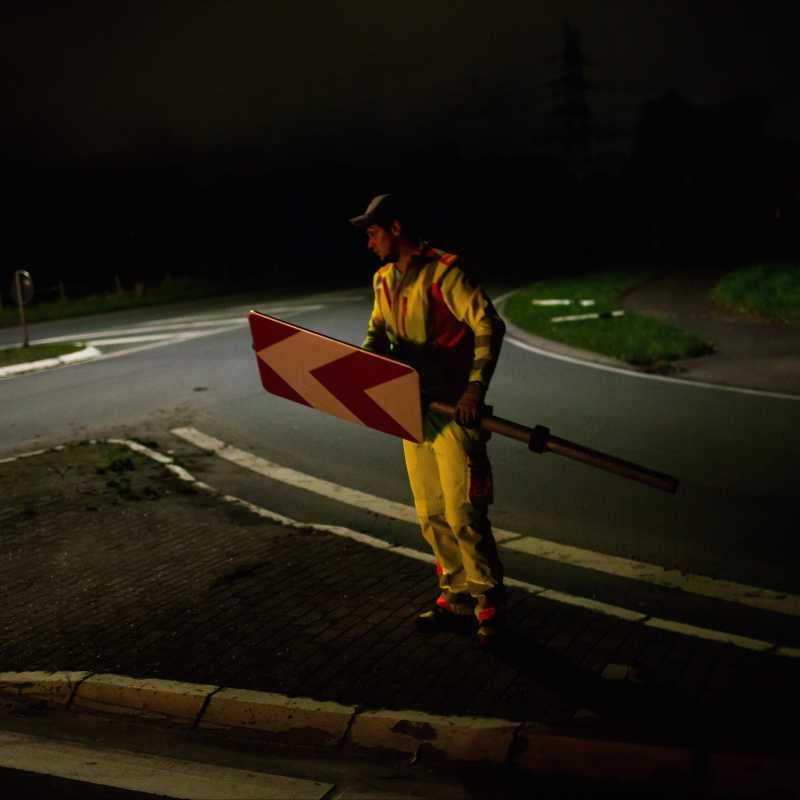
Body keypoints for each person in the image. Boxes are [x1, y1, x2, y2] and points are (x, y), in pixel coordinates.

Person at [350, 193, 507, 646]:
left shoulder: (445, 272)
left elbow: (487, 325)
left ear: (396, 228)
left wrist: (475, 388)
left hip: (454, 412)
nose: (369, 242)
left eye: (373, 231)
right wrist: (366, 363)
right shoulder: (382, 280)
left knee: (463, 513)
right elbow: (377, 332)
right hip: (411, 410)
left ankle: (489, 604)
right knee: (431, 514)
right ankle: (455, 599)